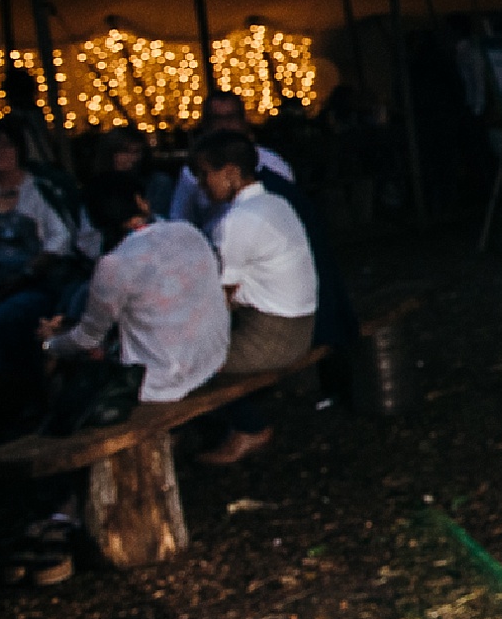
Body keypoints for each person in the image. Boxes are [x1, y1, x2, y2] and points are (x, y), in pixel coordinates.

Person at [37, 171, 230, 408]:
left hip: (162, 382)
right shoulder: (187, 231)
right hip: (212, 359)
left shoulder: (114, 264)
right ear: (140, 202)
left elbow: (88, 338)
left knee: (71, 358)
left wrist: (50, 344)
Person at [190, 129, 318, 464]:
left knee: (186, 365)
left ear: (230, 172)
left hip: (274, 335)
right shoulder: (274, 202)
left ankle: (250, 427)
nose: (202, 186)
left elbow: (221, 300)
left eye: (205, 175)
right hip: (299, 325)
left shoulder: (238, 221)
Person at [0, 124, 89, 408]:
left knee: (8, 316)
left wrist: (22, 276)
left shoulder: (42, 189)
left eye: (6, 146)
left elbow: (59, 242)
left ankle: (11, 395)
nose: (0, 153)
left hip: (33, 280)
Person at [169, 91, 295, 231]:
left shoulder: (272, 164)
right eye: (217, 119)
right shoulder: (191, 172)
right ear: (206, 125)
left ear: (243, 121)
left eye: (231, 117)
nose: (224, 125)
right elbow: (180, 222)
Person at [93, 125, 176, 224]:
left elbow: (165, 222)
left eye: (136, 152)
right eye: (124, 152)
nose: (132, 158)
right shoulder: (98, 187)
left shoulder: (158, 183)